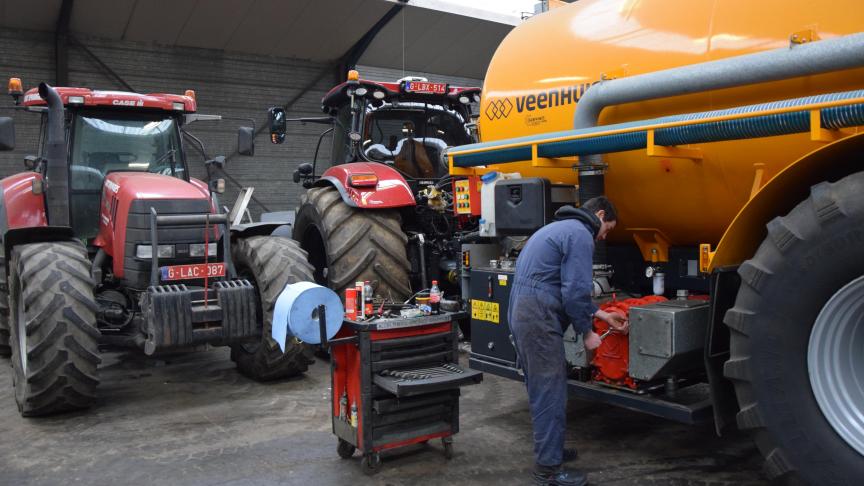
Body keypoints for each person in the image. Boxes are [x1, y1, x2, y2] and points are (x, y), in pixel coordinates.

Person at [508, 196, 628, 486]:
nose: (604, 236)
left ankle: (551, 451)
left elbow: (559, 285)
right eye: (608, 229)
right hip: (538, 315)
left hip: (525, 309)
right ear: (599, 215)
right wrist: (587, 332)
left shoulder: (559, 228)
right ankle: (547, 471)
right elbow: (574, 291)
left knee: (542, 387)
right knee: (549, 390)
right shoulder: (580, 235)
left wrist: (601, 313)